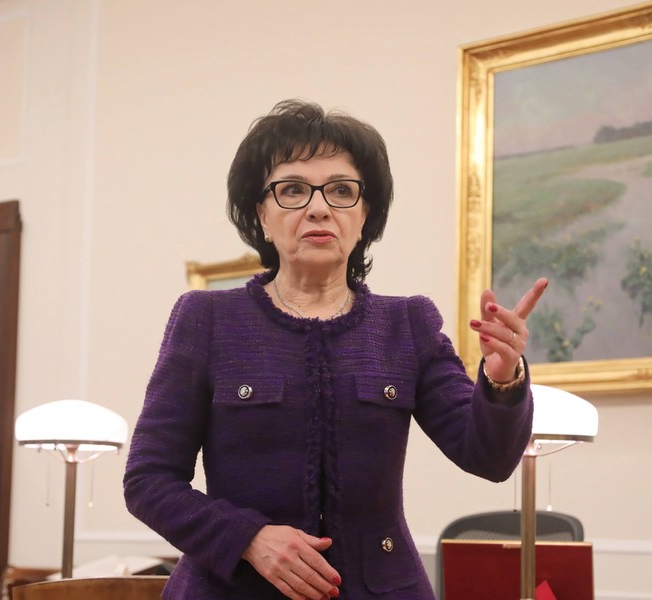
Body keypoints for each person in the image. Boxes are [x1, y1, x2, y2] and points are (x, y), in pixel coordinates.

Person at [123, 99, 547, 600]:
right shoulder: (207, 319)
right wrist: (248, 538)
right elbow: (149, 480)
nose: (319, 208)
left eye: (342, 191)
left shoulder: (407, 323)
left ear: (365, 215)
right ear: (261, 215)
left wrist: (502, 377)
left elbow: (489, 458)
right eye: (292, 190)